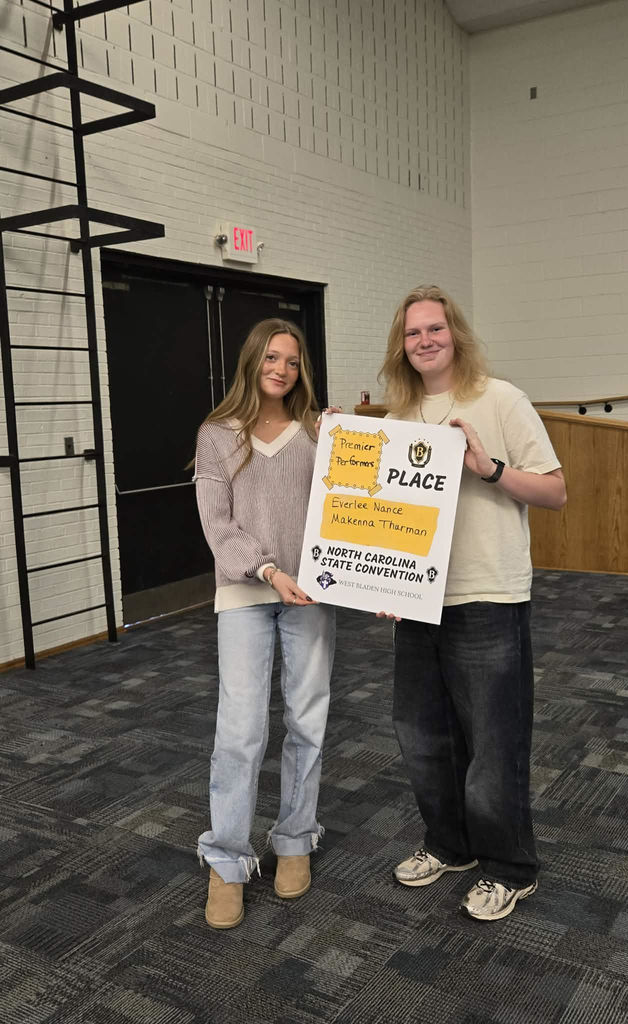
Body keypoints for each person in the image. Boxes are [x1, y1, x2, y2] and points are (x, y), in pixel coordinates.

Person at [378, 285, 566, 922]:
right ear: (400, 346)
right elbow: (379, 516)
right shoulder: (397, 417)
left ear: (454, 333)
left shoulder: (500, 397)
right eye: (412, 334)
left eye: (435, 329)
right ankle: (449, 845)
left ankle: (509, 868)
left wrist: (488, 468)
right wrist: (379, 582)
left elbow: (555, 491)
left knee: (493, 741)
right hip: (417, 600)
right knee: (422, 736)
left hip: (487, 595)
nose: (425, 341)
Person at [194, 318, 335, 929]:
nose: (282, 370)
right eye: (272, 358)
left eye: (293, 362)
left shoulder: (315, 433)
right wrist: (270, 570)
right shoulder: (217, 434)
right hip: (247, 594)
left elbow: (353, 508)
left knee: (307, 719)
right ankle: (226, 861)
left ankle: (295, 839)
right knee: (241, 729)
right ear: (252, 361)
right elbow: (217, 524)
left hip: (313, 595)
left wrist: (347, 442)